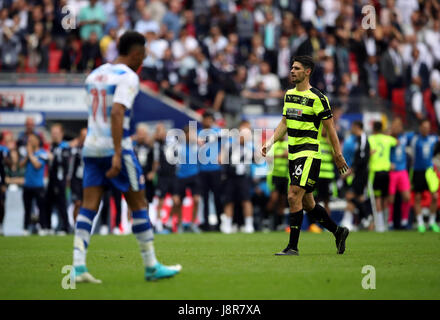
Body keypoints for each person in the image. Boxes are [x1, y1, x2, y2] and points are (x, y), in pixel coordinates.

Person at [72, 31, 180, 284]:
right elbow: (117, 112)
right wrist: (118, 152)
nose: (142, 61)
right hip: (114, 149)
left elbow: (95, 113)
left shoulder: (94, 75)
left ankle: (77, 267)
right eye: (142, 56)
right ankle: (151, 265)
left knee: (88, 207)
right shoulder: (128, 77)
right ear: (134, 53)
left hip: (91, 148)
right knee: (139, 203)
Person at [261, 55, 349, 256]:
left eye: (297, 68)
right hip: (293, 155)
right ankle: (339, 231)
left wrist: (338, 154)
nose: (292, 71)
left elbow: (331, 129)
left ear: (307, 72)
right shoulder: (289, 94)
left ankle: (292, 247)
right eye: (291, 67)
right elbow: (284, 123)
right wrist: (269, 142)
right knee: (308, 203)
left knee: (293, 195)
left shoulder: (318, 98)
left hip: (309, 154)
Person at [220, 121, 256, 234]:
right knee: (229, 201)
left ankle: (249, 225)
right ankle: (227, 225)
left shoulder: (250, 146)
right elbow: (220, 158)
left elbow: (258, 158)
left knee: (246, 200)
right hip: (230, 176)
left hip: (243, 177)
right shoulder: (230, 144)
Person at [410, 119, 440, 233]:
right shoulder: (414, 139)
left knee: (435, 196)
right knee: (417, 197)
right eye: (424, 127)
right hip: (418, 171)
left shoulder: (433, 138)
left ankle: (432, 222)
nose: (426, 129)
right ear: (420, 127)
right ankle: (420, 223)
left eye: (428, 127)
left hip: (430, 171)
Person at [41, 124, 71, 236]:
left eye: (56, 133)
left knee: (61, 204)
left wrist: (53, 157)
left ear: (61, 134)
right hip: (51, 179)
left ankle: (65, 227)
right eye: (53, 133)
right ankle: (47, 226)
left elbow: (65, 163)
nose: (54, 135)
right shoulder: (51, 147)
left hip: (60, 180)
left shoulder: (65, 147)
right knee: (47, 203)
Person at [368, 121, 398, 232]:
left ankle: (379, 225)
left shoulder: (370, 139)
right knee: (385, 198)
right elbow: (397, 142)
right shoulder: (387, 139)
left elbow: (368, 152)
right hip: (386, 171)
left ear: (373, 128)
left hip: (375, 171)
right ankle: (386, 224)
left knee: (378, 198)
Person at [341, 121, 371, 230]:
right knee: (359, 197)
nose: (351, 129)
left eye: (352, 127)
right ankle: (363, 219)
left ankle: (366, 216)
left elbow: (362, 159)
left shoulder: (362, 139)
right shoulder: (358, 140)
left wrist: (350, 171)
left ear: (356, 127)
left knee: (350, 196)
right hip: (359, 173)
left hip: (361, 173)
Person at [171, 125, 201, 233]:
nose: (192, 135)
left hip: (194, 175)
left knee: (197, 200)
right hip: (180, 176)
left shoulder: (197, 146)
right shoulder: (178, 146)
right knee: (178, 201)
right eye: (189, 133)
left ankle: (193, 223)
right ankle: (179, 224)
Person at [197, 111, 223, 231]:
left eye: (209, 119)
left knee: (217, 196)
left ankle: (219, 223)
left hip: (215, 169)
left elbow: (224, 143)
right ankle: (206, 223)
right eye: (206, 119)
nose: (208, 121)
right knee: (205, 198)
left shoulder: (217, 131)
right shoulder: (198, 133)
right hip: (202, 169)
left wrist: (221, 155)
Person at [19, 133, 48, 236]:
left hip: (38, 185)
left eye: (32, 140)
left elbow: (37, 165)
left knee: (41, 208)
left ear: (37, 141)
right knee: (27, 208)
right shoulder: (27, 154)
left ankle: (43, 227)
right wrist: (28, 155)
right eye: (28, 140)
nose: (29, 142)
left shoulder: (42, 153)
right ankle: (25, 228)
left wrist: (30, 154)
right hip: (27, 185)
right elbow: (20, 165)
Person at [388, 118, 413, 229]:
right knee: (391, 199)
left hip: (402, 171)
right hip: (392, 172)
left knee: (407, 197)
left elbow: (415, 135)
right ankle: (389, 222)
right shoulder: (388, 138)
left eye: (398, 125)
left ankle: (404, 221)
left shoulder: (405, 137)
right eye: (394, 125)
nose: (396, 127)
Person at [153, 123, 175, 234]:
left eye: (161, 131)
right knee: (160, 200)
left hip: (173, 175)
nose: (160, 133)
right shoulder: (156, 144)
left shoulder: (172, 142)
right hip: (162, 176)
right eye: (158, 131)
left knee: (176, 200)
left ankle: (170, 222)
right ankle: (158, 222)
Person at [265, 135, 289, 231]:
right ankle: (265, 221)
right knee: (273, 199)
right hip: (275, 175)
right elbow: (268, 158)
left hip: (285, 176)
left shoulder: (288, 145)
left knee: (282, 201)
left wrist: (288, 156)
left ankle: (280, 223)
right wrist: (281, 156)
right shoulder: (273, 145)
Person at [67, 128, 87, 222]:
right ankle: (76, 225)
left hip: (87, 179)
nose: (85, 138)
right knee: (77, 203)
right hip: (76, 179)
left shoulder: (91, 150)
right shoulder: (75, 149)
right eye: (83, 136)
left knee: (86, 204)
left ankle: (84, 225)